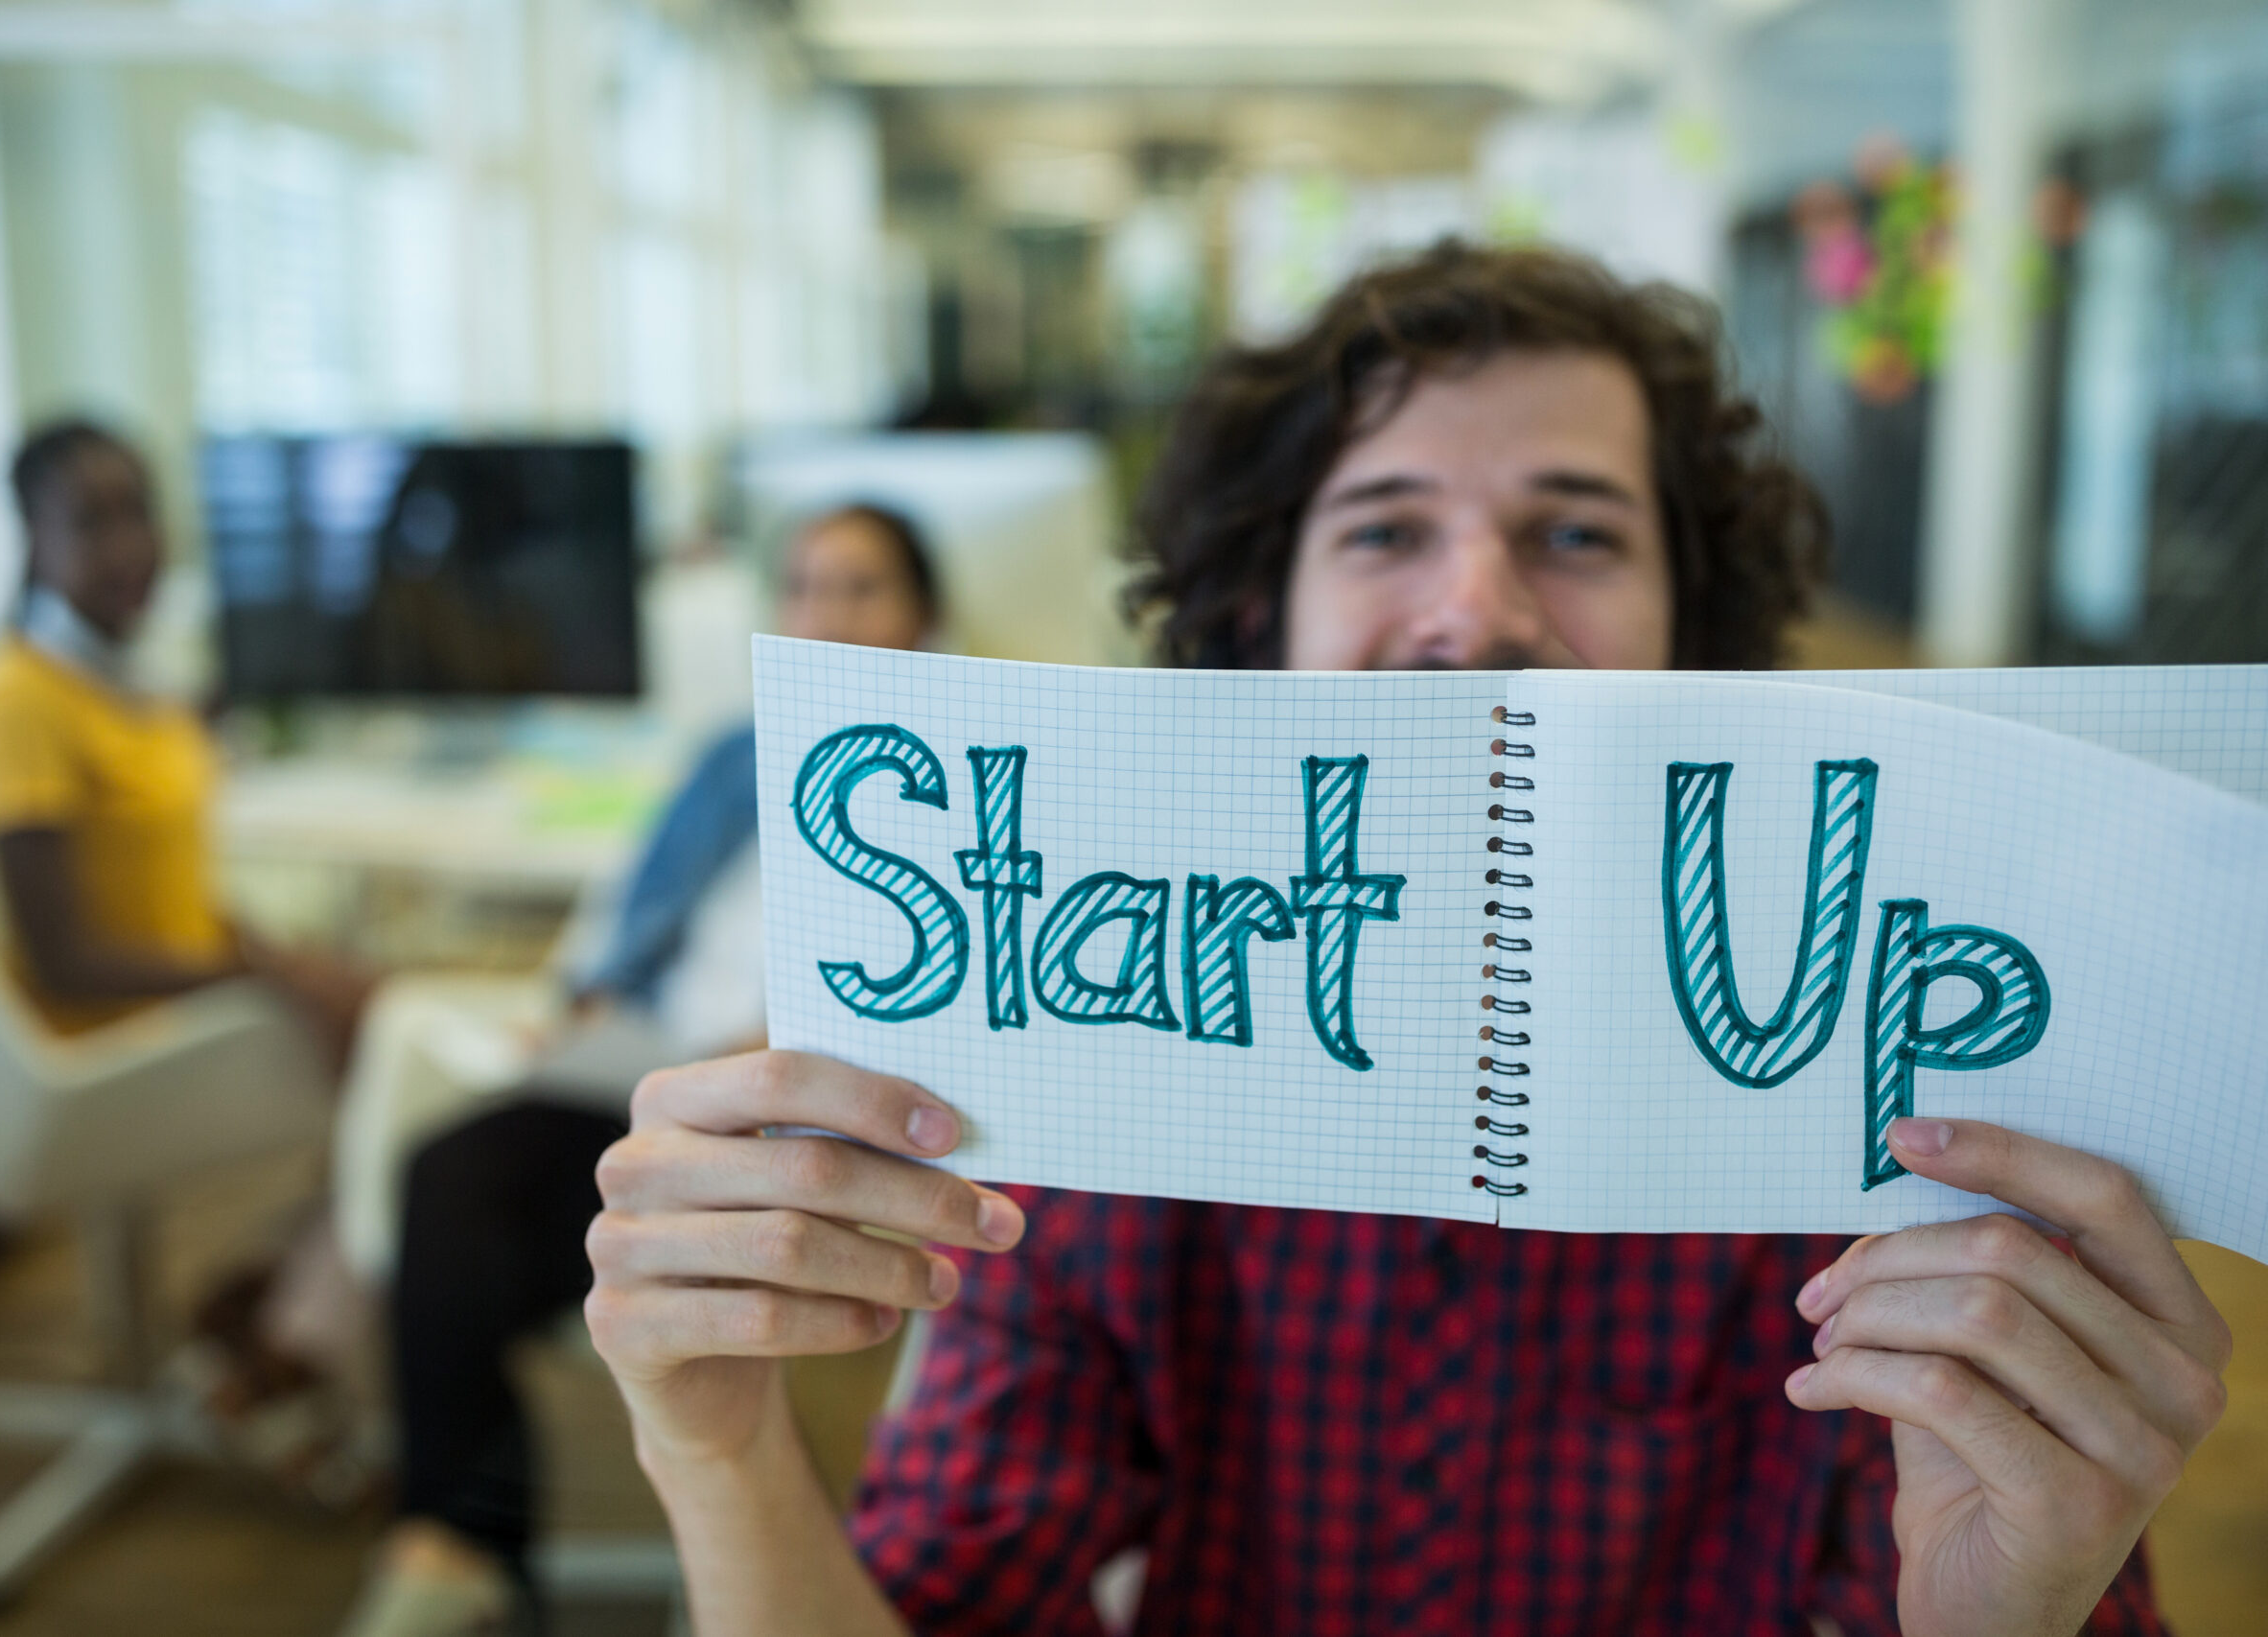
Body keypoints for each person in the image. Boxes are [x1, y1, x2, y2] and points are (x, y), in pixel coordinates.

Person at [583, 242, 2232, 1635]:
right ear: (1262, 627)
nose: (1477, 613)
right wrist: (712, 1443)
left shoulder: (1872, 1118)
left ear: (1695, 640)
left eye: (1576, 532)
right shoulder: (1103, 1102)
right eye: (1384, 528)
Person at [336, 503, 945, 1637]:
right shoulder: (735, 755)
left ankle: (465, 1544)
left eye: (861, 587)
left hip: (775, 1118)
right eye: (806, 587)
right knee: (448, 1175)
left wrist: (742, 1060)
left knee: (483, 1234)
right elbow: (627, 912)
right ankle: (458, 1544)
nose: (827, 613)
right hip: (634, 1070)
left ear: (924, 615)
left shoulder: (951, 785)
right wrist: (575, 1007)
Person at [0, 418, 373, 1051]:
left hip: (192, 1000)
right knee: (383, 1033)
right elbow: (62, 963)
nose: (128, 547)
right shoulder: (21, 700)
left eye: (139, 513)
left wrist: (280, 963)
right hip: (122, 1043)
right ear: (35, 538)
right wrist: (263, 979)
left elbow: (173, 901)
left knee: (375, 998)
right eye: (92, 522)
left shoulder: (132, 686)